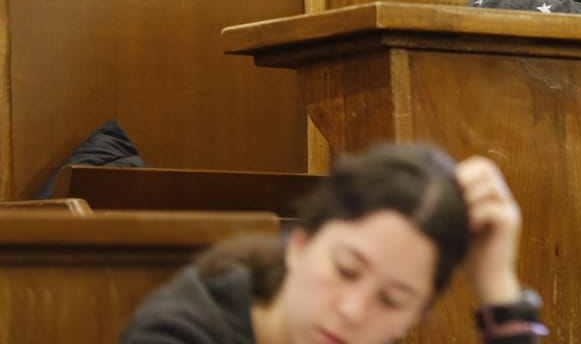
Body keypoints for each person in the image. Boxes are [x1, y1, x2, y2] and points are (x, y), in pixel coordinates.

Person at [119, 143, 544, 344]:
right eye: (345, 269)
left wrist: (497, 285)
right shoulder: (175, 334)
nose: (352, 311)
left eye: (394, 299)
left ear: (416, 316)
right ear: (301, 243)